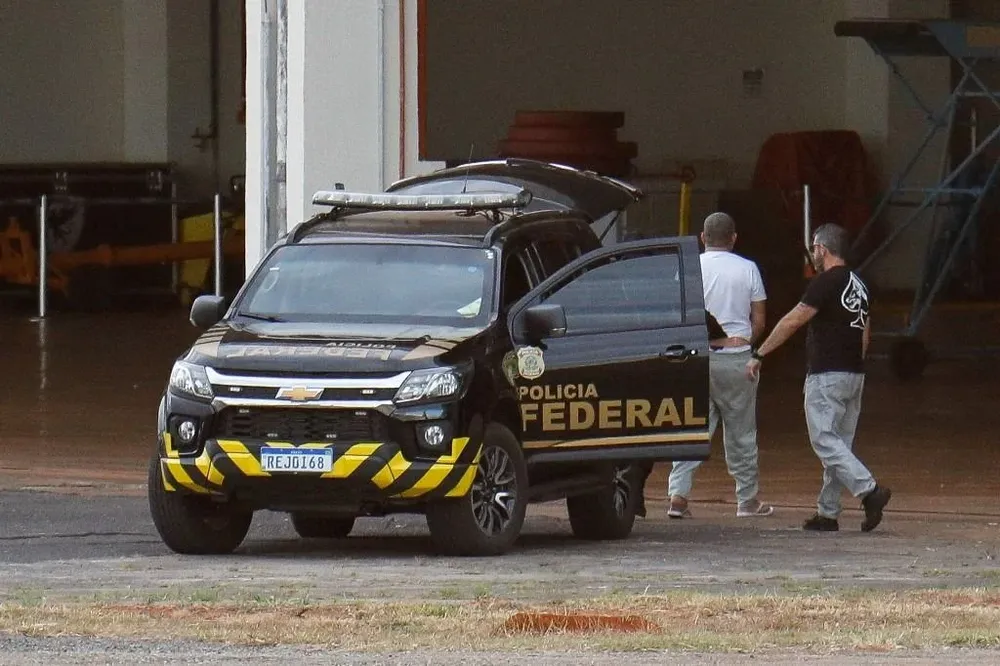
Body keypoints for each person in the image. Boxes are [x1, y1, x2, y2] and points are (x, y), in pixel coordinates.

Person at [746, 223, 891, 532]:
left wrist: (760, 353)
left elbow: (794, 320)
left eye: (814, 249)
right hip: (854, 373)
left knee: (824, 440)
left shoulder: (825, 283)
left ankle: (870, 491)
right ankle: (828, 512)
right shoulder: (859, 283)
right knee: (840, 446)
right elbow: (865, 332)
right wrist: (855, 365)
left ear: (823, 250)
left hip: (827, 373)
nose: (812, 254)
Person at [657, 212, 774, 519]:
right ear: (734, 238)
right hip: (737, 360)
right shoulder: (749, 269)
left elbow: (676, 314)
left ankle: (677, 496)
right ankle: (747, 500)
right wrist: (739, 339)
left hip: (695, 359)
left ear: (702, 238)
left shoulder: (688, 270)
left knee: (692, 427)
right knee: (741, 433)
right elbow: (759, 321)